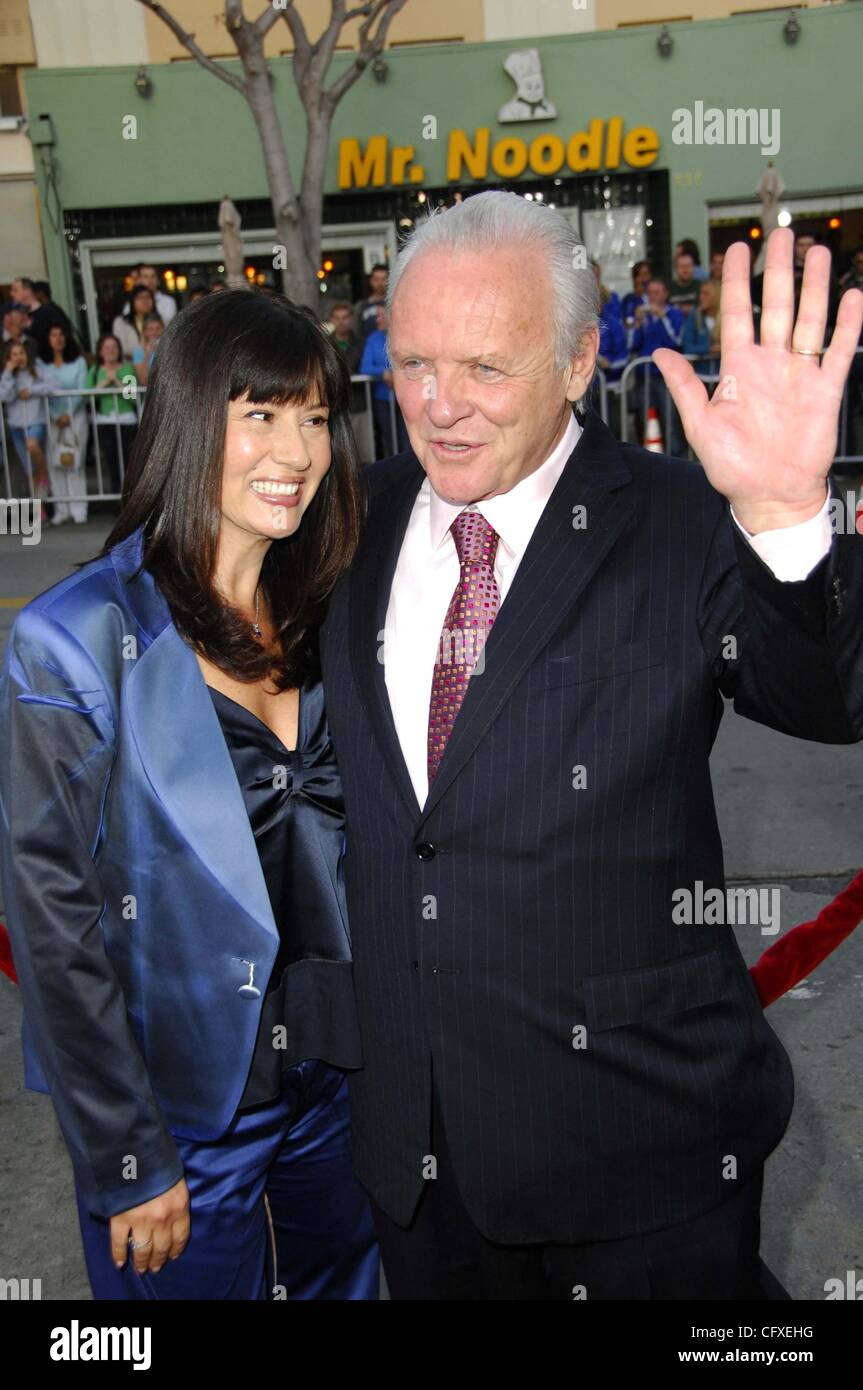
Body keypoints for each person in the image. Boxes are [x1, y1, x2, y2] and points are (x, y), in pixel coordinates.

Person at [319, 191, 863, 1300]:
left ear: (577, 362)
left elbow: (823, 694)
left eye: (484, 368)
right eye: (414, 363)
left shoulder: (680, 518)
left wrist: (786, 521)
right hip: (421, 1168)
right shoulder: (348, 522)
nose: (439, 404)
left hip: (641, 1160)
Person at [0, 288, 378, 1301]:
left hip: (342, 1078)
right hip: (181, 1109)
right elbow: (53, 928)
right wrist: (127, 1151)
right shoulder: (74, 639)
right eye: (259, 415)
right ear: (185, 419)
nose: (295, 451)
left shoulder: (335, 609)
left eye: (311, 416)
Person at [629, 276, 685, 454]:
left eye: (657, 292)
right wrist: (636, 324)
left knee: (670, 420)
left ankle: (676, 459)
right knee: (647, 420)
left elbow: (676, 341)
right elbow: (632, 345)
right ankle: (652, 459)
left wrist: (663, 318)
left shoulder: (673, 314)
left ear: (665, 294)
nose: (652, 296)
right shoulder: (644, 316)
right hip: (645, 376)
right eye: (650, 292)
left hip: (665, 377)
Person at [40, 324, 89, 525]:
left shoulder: (78, 362)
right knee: (55, 463)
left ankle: (79, 509)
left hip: (75, 416)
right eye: (53, 334)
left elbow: (82, 388)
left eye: (61, 334)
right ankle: (61, 509)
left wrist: (68, 413)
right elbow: (43, 390)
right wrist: (55, 415)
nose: (58, 338)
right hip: (52, 418)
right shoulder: (42, 365)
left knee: (75, 460)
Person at [85, 333, 139, 495]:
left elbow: (132, 397)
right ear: (101, 351)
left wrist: (116, 381)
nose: (111, 350)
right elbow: (87, 395)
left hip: (127, 420)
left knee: (130, 461)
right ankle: (117, 496)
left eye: (114, 347)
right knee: (112, 461)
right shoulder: (95, 370)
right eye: (107, 347)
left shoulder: (128, 368)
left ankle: (131, 498)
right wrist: (103, 383)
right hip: (105, 421)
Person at [0, 339, 51, 504]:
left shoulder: (36, 369)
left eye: (21, 353)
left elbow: (53, 385)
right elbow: (3, 396)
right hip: (16, 424)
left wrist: (31, 391)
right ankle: (40, 509)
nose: (18, 357)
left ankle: (44, 475)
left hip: (35, 419)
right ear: (8, 358)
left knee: (32, 445)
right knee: (29, 469)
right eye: (14, 354)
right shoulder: (7, 375)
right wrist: (8, 372)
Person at [359, 304, 409, 459]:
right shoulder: (373, 339)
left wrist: (397, 373)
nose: (378, 319)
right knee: (388, 438)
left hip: (405, 397)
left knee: (407, 438)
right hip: (383, 398)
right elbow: (365, 367)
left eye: (382, 315)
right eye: (377, 316)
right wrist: (384, 372)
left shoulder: (405, 336)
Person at [8, 276, 74, 351]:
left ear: (27, 291)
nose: (11, 294)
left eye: (15, 290)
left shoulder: (48, 313)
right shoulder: (18, 315)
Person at [681, 278, 722, 378]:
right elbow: (687, 347)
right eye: (701, 293)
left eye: (706, 294)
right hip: (700, 377)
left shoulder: (727, 318)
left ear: (716, 296)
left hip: (723, 377)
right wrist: (710, 349)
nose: (701, 297)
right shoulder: (694, 316)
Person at [113, 284, 156, 360]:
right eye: (140, 298)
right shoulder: (121, 322)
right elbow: (121, 348)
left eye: (148, 297)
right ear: (132, 302)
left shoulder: (161, 320)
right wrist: (144, 350)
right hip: (130, 365)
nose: (145, 301)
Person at [353, 263, 388, 342]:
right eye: (376, 279)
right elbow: (356, 333)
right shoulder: (361, 306)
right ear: (371, 281)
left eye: (383, 279)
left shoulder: (395, 304)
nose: (380, 283)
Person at [132, 312, 165, 386]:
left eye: (158, 328)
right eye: (150, 329)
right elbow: (143, 381)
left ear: (163, 329)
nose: (155, 332)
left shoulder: (169, 349)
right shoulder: (138, 352)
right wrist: (147, 354)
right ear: (144, 332)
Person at [669, 250, 699, 316]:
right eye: (682, 266)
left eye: (688, 266)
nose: (685, 269)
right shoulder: (668, 289)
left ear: (693, 267)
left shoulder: (701, 287)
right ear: (676, 269)